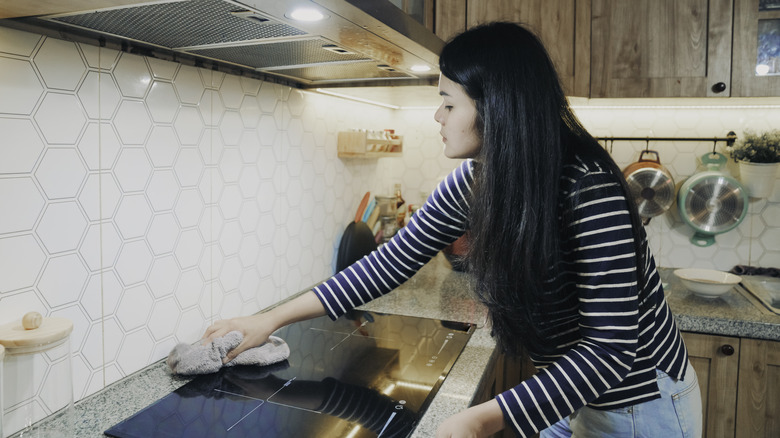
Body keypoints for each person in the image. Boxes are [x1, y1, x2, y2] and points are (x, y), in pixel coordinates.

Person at [202, 22, 703, 438]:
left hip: (637, 400)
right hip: (567, 389)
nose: (437, 115)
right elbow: (388, 262)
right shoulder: (476, 179)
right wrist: (269, 319)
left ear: (496, 108)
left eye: (447, 101)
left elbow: (611, 350)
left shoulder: (586, 187)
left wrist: (479, 419)